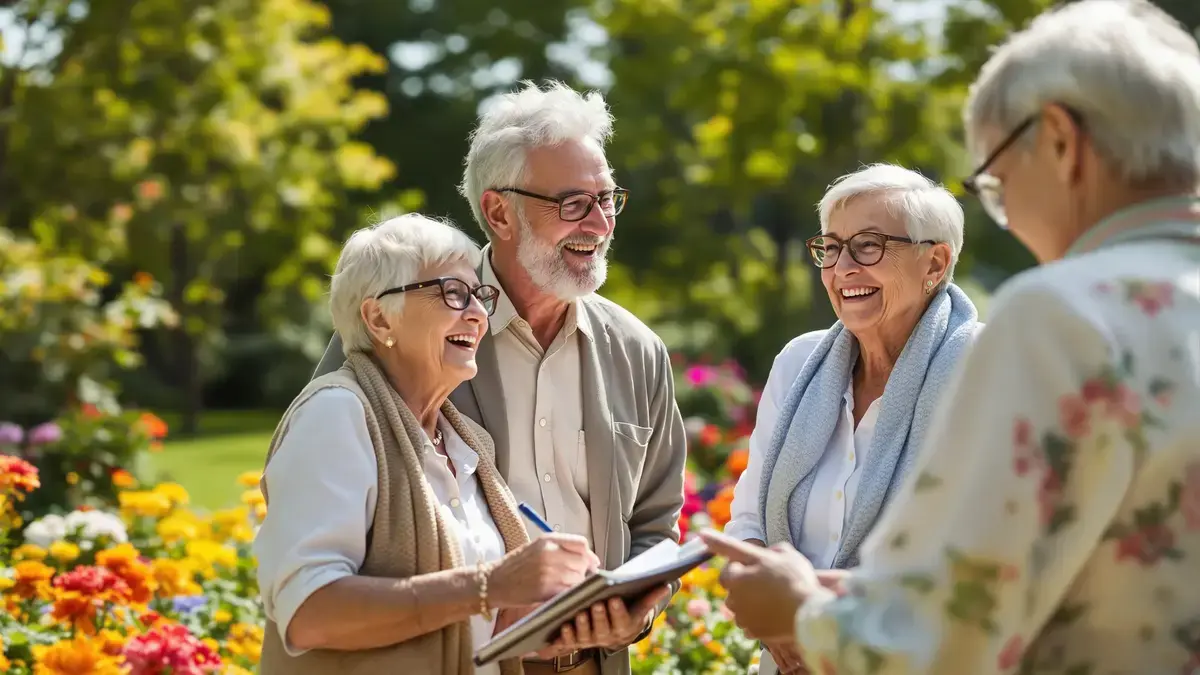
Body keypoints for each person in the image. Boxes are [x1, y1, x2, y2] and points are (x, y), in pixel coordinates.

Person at [703, 1, 1200, 673]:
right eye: (834, 248)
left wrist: (801, 614)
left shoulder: (1063, 315)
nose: (1008, 213)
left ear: (1059, 139)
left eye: (994, 178)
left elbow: (954, 628)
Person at [312, 81, 686, 675]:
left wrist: (638, 609)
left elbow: (657, 523)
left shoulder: (638, 351)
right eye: (572, 203)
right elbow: (321, 486)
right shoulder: (408, 326)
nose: (598, 223)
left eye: (607, 199)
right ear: (497, 212)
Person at [255, 214, 605, 675]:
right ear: (379, 317)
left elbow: (472, 624)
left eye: (479, 295)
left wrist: (552, 612)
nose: (479, 314)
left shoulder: (467, 443)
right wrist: (490, 586)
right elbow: (308, 614)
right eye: (452, 294)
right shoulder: (336, 414)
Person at [723, 163, 981, 674]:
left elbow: (978, 554)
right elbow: (749, 521)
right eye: (831, 247)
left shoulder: (982, 368)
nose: (843, 269)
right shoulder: (798, 363)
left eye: (868, 245)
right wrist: (781, 627)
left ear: (935, 262)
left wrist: (823, 622)